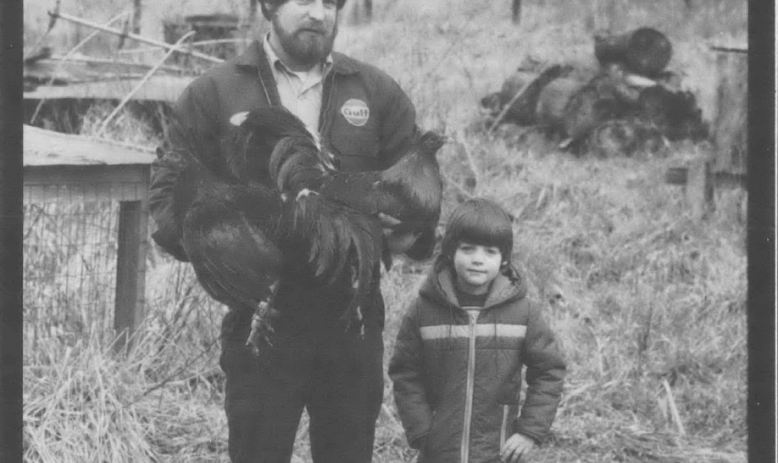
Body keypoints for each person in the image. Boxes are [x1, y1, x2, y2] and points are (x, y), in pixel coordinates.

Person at [148, 0, 419, 462]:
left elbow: (415, 190)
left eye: (330, 3)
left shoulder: (376, 92)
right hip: (263, 315)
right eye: (303, 1)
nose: (318, 13)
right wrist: (222, 249)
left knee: (347, 452)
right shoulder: (213, 92)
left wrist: (405, 225)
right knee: (258, 451)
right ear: (269, 6)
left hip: (351, 314)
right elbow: (168, 191)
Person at [388, 198, 566, 463]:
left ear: (504, 259)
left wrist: (529, 430)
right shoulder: (423, 311)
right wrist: (422, 429)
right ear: (450, 252)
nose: (478, 260)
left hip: (497, 449)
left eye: (489, 252)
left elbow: (549, 371)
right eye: (468, 249)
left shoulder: (523, 313)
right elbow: (405, 372)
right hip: (438, 450)